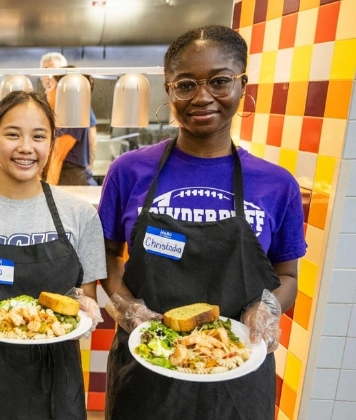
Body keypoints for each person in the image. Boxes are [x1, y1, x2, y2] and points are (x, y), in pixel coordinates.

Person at [98, 25, 307, 419]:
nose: (202, 96)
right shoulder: (128, 171)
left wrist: (267, 308)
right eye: (186, 85)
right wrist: (126, 306)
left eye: (219, 81)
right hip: (146, 365)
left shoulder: (277, 184)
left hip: (237, 370)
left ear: (243, 85)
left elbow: (288, 275)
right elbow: (105, 255)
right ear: (169, 90)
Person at [0, 90, 106, 419]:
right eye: (12, 134)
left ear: (51, 144)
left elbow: (86, 295)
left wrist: (85, 306)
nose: (26, 147)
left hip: (59, 380)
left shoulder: (80, 215)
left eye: (38, 136)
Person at [39, 55, 98, 186]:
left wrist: (47, 194)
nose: (46, 92)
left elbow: (57, 157)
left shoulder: (71, 114)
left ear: (62, 89)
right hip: (65, 178)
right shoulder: (58, 112)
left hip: (73, 179)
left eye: (50, 87)